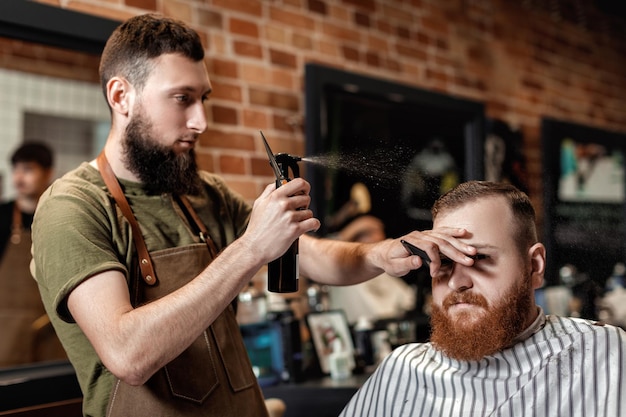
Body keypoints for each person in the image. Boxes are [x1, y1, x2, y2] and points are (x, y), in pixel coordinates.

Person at [30, 14, 421, 417]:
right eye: (182, 98)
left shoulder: (205, 193)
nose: (201, 121)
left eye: (204, 99)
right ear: (120, 96)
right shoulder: (73, 207)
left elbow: (311, 255)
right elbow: (128, 355)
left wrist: (379, 255)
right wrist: (251, 247)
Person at [340, 181, 626, 416]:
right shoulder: (402, 369)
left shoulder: (603, 352)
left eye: (480, 258)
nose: (456, 282)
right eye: (444, 260)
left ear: (535, 266)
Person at [0, 142, 65, 366]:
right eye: (16, 169)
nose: (19, 177)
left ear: (48, 172)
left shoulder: (62, 215)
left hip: (51, 330)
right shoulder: (3, 215)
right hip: (5, 334)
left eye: (28, 169)